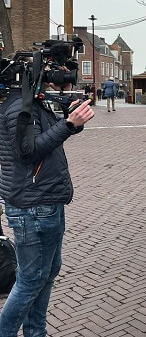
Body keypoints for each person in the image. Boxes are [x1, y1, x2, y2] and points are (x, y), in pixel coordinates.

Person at [0, 69, 94, 336]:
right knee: (31, 279)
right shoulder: (21, 106)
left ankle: (35, 332)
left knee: (47, 272)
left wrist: (71, 120)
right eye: (59, 81)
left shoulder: (31, 102)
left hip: (44, 200)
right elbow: (28, 152)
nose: (62, 86)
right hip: (34, 205)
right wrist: (68, 124)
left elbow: (45, 138)